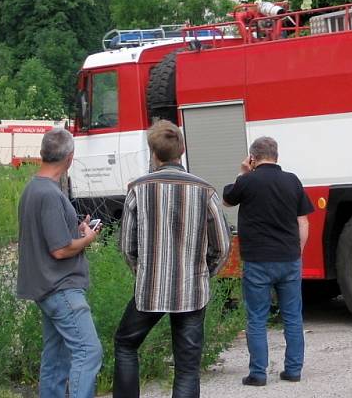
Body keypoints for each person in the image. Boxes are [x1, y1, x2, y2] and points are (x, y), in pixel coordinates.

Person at [114, 120, 231, 398]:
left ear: (153, 154)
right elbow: (222, 246)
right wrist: (205, 272)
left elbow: (127, 246)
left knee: (126, 344)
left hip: (150, 288)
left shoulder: (137, 190)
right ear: (183, 149)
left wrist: (142, 271)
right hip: (191, 289)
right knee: (187, 367)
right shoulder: (205, 191)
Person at [16, 128, 103, 398]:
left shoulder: (33, 188)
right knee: (88, 352)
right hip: (61, 287)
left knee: (56, 358)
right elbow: (61, 250)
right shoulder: (51, 195)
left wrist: (76, 229)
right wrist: (87, 239)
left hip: (44, 286)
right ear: (70, 158)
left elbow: (52, 238)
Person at [223, 136, 314, 386]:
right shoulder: (292, 181)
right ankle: (293, 370)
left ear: (252, 158)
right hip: (288, 259)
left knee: (257, 318)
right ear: (277, 155)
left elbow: (227, 200)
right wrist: (298, 251)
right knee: (293, 316)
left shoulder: (248, 181)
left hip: (257, 261)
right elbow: (303, 222)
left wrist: (242, 173)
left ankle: (258, 374)